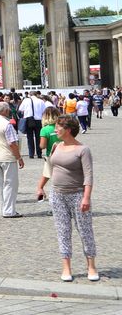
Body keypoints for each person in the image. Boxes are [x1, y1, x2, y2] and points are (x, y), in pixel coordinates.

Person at [35, 115, 98, 282]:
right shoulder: (56, 145)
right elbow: (50, 168)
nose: (55, 130)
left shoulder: (82, 150)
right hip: (57, 195)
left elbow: (88, 176)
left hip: (77, 194)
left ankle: (91, 266)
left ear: (68, 130)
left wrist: (86, 198)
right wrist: (41, 186)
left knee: (85, 231)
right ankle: (66, 267)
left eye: (58, 127)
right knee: (63, 231)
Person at [0, 102, 26, 218]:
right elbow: (12, 143)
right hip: (7, 157)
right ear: (5, 111)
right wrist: (19, 157)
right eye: (8, 109)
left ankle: (3, 209)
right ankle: (9, 210)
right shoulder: (7, 124)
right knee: (10, 183)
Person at [18, 90, 47, 159]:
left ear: (29, 95)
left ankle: (31, 154)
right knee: (38, 137)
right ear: (36, 94)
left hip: (29, 120)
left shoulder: (26, 100)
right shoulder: (41, 101)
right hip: (38, 120)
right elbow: (44, 111)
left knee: (30, 137)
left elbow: (20, 109)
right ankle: (39, 153)